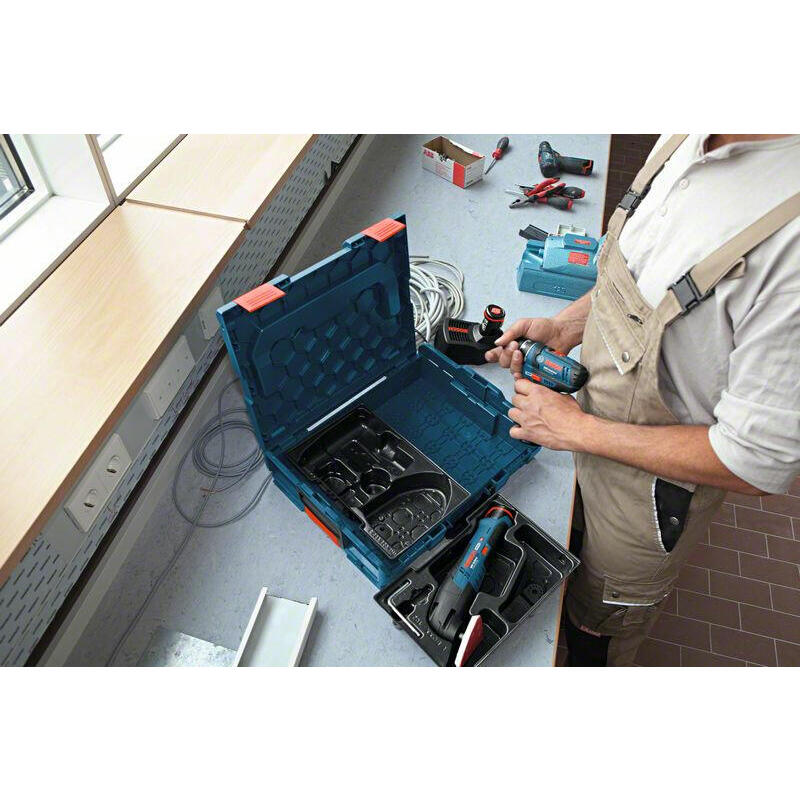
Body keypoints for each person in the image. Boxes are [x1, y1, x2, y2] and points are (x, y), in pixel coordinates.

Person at [486, 134, 800, 666]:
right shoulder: (689, 133)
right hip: (585, 427)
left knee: (595, 623)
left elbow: (755, 461)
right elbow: (637, 275)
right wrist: (567, 326)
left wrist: (576, 430)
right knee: (569, 546)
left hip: (644, 502)